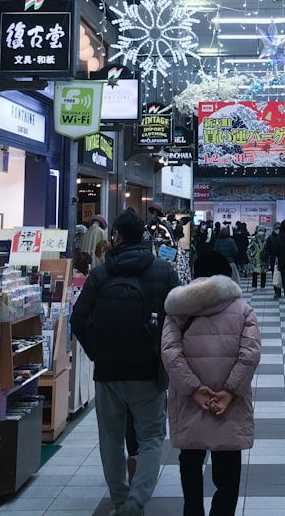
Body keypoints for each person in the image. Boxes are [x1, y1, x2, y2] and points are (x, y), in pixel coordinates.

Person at [70, 210, 179, 516]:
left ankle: (120, 499)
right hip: (148, 371)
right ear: (144, 236)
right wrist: (163, 354)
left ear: (115, 236)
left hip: (109, 372)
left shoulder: (101, 274)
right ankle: (136, 503)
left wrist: (98, 352)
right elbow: (179, 319)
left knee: (110, 438)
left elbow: (78, 318)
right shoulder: (163, 271)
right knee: (152, 437)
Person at [162, 252, 261, 516]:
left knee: (190, 464)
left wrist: (194, 389)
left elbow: (170, 353)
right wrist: (229, 392)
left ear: (195, 274)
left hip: (190, 401)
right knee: (228, 471)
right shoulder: (242, 309)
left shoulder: (178, 308)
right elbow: (250, 354)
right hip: (228, 405)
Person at [247, 226, 269, 291]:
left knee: (255, 272)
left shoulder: (255, 238)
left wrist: (250, 255)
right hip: (264, 258)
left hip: (256, 257)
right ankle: (262, 286)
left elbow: (249, 248)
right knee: (263, 272)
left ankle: (254, 286)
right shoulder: (266, 239)